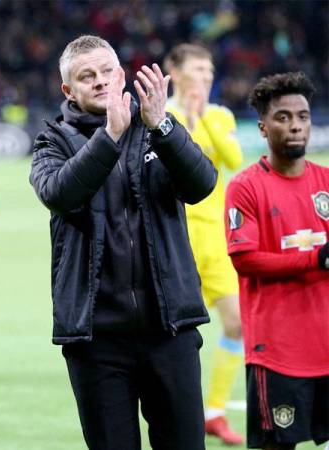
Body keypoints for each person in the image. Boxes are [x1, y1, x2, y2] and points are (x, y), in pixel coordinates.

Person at [29, 35, 217, 450]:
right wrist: (110, 135)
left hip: (170, 330)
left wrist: (163, 126)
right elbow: (60, 194)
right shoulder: (52, 142)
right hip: (97, 339)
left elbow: (202, 184)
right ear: (68, 90)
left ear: (122, 74)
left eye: (107, 71)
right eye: (86, 76)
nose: (99, 81)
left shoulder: (157, 128)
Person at [225, 71, 328, 450]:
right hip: (278, 353)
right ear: (263, 128)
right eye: (283, 118)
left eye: (302, 116)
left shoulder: (327, 181)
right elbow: (246, 260)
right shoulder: (245, 187)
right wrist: (316, 259)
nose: (296, 126)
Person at [164, 43, 244, 445]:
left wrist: (201, 119)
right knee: (181, 334)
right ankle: (187, 411)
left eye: (210, 70)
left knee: (237, 321)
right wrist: (188, 121)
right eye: (198, 69)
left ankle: (215, 410)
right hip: (177, 239)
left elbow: (232, 158)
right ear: (174, 72)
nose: (206, 76)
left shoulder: (220, 115)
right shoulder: (161, 115)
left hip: (217, 239)